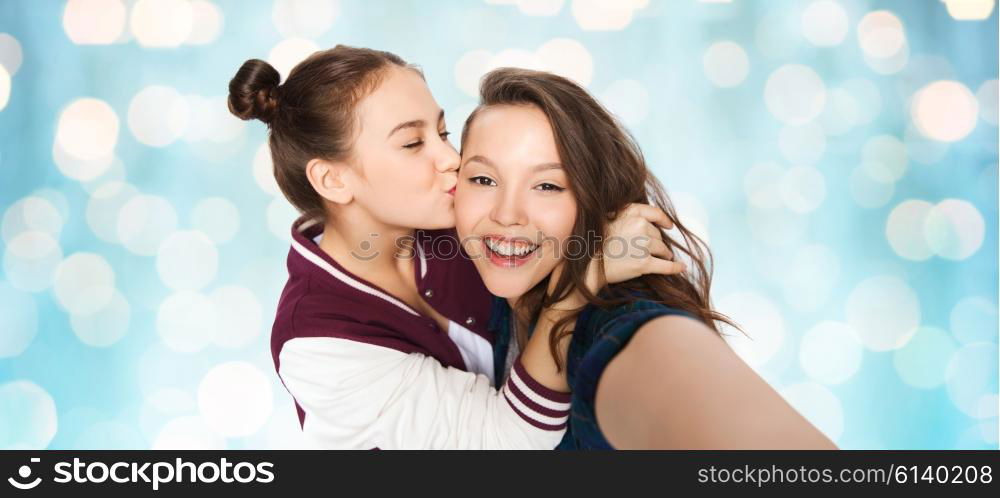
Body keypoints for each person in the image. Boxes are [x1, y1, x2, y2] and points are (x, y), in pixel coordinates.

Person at [227, 46, 683, 449]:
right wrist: (577, 289)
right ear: (333, 179)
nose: (452, 160)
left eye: (443, 134)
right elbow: (507, 443)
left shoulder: (455, 221)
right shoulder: (318, 343)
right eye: (412, 143)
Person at [455, 67, 839, 449]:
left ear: (594, 199)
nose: (507, 214)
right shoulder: (473, 297)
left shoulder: (623, 326)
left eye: (548, 186)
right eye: (483, 180)